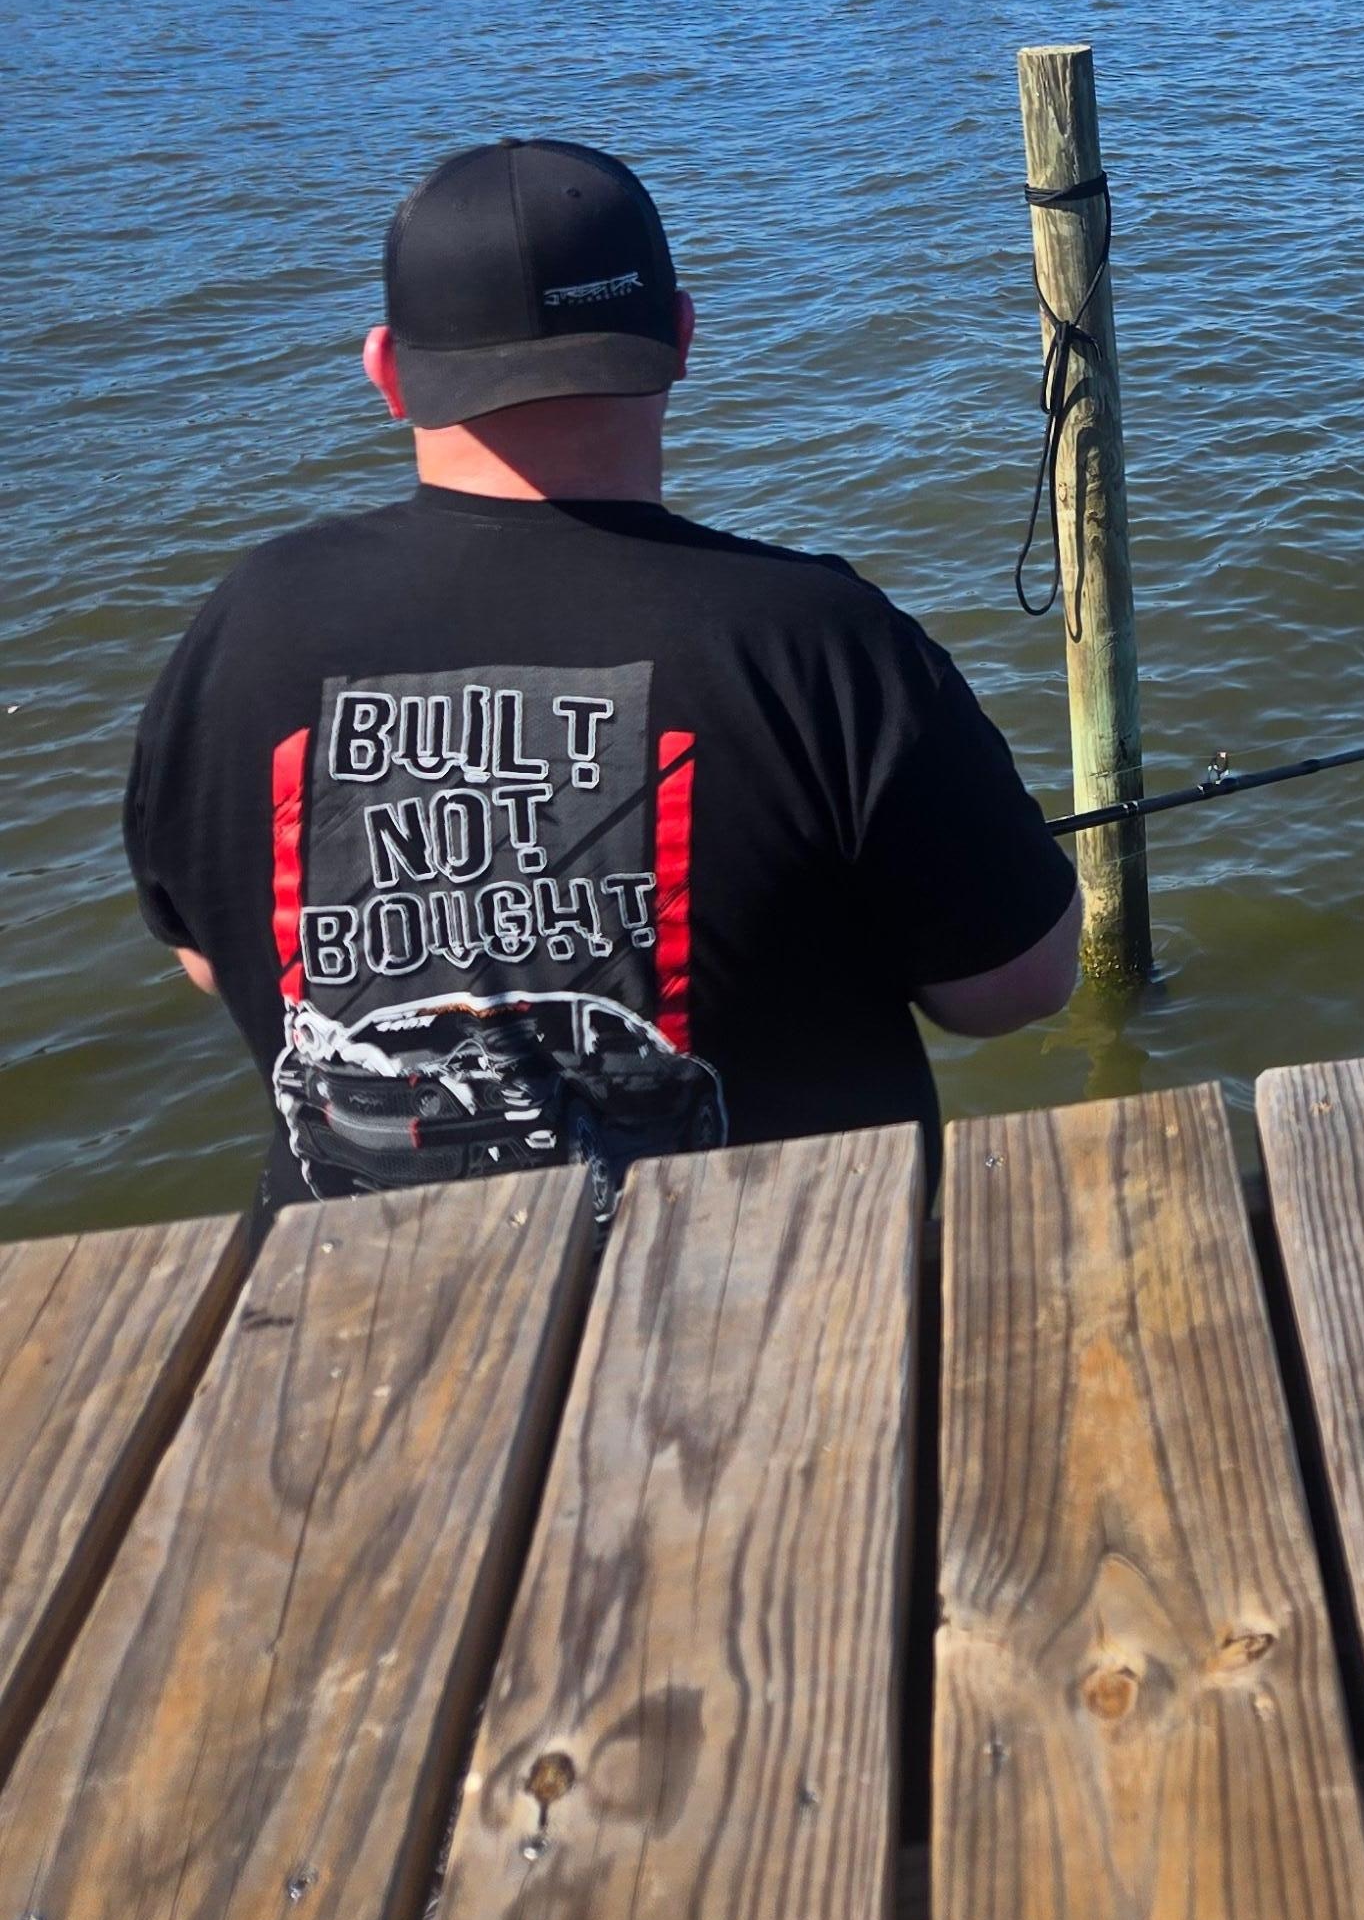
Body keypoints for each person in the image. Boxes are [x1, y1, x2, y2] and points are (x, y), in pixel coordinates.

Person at [123, 137, 1080, 1207]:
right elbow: (1017, 983)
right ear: (678, 337)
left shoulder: (244, 626)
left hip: (354, 1324)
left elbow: (210, 957)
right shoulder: (820, 640)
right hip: (787, 1320)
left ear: (386, 371)